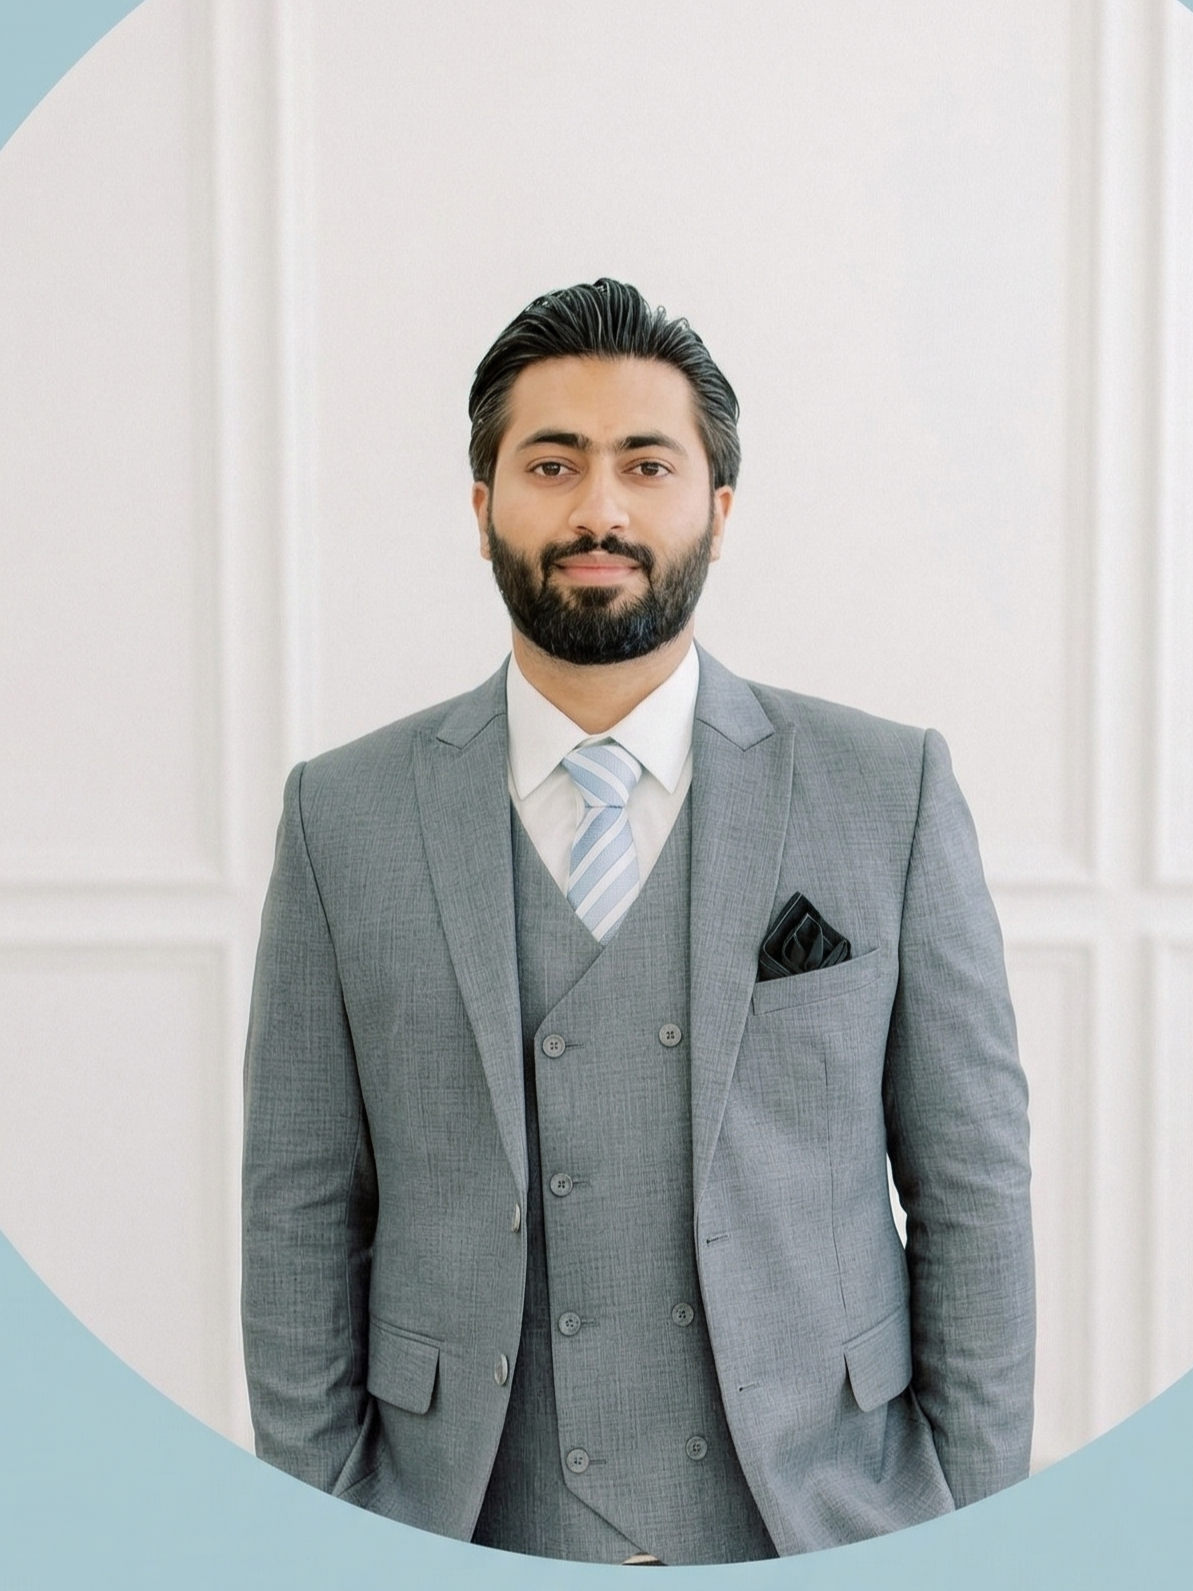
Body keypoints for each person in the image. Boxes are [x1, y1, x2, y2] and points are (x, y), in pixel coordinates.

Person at [241, 278, 1034, 1566]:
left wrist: (977, 1521)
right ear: (484, 503)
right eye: (551, 463)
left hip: (824, 1514)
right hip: (455, 1515)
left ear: (717, 512)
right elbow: (297, 1204)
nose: (599, 508)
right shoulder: (344, 817)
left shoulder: (887, 791)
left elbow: (974, 1186)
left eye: (645, 465)